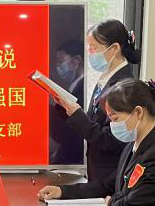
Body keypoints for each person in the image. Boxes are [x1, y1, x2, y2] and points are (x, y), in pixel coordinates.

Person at [39, 79, 155, 206]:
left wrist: (111, 202)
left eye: (115, 119)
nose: (112, 125)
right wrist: (62, 191)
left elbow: (136, 204)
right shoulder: (132, 144)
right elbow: (108, 185)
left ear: (138, 112)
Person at [49, 19, 140, 193]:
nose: (90, 54)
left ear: (114, 48)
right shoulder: (105, 80)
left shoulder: (125, 85)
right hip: (96, 171)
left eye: (94, 49)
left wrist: (77, 114)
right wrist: (66, 109)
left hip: (110, 175)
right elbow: (92, 124)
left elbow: (111, 139)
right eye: (88, 49)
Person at [48, 37, 86, 165]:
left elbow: (68, 132)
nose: (58, 67)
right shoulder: (74, 88)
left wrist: (50, 109)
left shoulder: (82, 91)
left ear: (76, 61)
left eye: (61, 61)